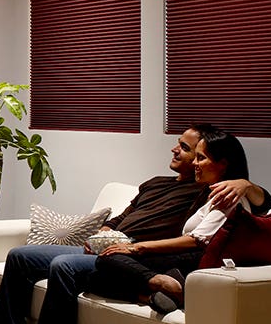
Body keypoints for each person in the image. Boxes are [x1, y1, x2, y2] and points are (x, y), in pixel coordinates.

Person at [0, 124, 271, 324]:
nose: (176, 150)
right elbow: (122, 216)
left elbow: (260, 206)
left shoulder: (203, 191)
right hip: (109, 246)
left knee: (64, 265)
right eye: (183, 146)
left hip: (136, 256)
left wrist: (246, 184)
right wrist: (103, 231)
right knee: (20, 256)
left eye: (189, 150)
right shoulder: (155, 183)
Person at [88, 129, 252, 314]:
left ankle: (163, 282)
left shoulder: (229, 196)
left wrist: (138, 247)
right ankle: (153, 296)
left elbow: (198, 240)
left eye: (201, 158)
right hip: (185, 257)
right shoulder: (207, 193)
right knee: (95, 278)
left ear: (222, 164)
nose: (195, 164)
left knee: (108, 260)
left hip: (198, 260)